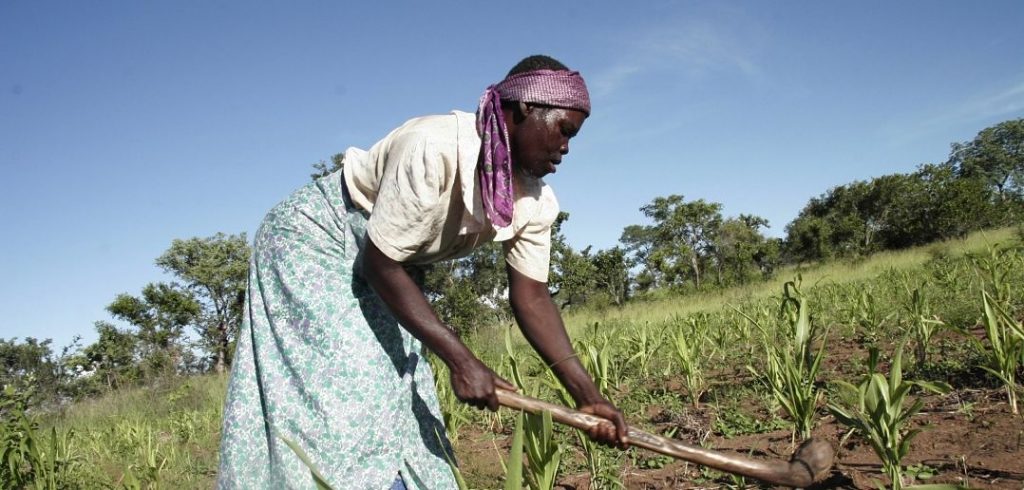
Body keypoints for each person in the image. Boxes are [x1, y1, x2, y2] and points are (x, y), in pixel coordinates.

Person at [217, 54, 628, 490]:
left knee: (401, 384)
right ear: (525, 109)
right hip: (315, 240)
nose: (565, 148)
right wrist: (463, 361)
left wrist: (588, 397)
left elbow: (531, 297)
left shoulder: (534, 201)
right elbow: (379, 262)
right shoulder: (433, 147)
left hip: (389, 262)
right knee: (342, 390)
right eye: (564, 131)